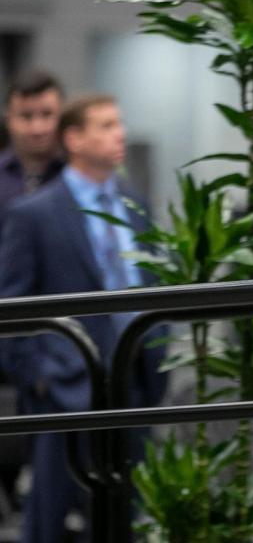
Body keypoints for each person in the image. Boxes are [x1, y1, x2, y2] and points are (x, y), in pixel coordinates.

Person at [0, 94, 165, 543]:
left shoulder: (135, 203)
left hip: (133, 382)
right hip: (64, 388)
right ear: (73, 138)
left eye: (120, 123)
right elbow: (12, 307)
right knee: (49, 518)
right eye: (107, 125)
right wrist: (39, 378)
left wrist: (158, 353)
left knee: (125, 515)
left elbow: (154, 284)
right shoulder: (33, 214)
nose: (120, 134)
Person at [0, 70, 65, 219]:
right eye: (26, 116)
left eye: (47, 114)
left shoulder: (79, 177)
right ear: (8, 119)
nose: (37, 128)